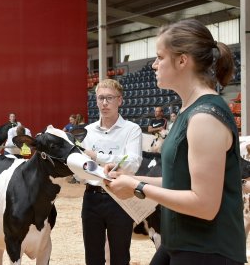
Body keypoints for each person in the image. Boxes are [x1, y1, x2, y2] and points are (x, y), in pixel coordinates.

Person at [103, 19, 246, 264]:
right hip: (181, 242)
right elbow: (181, 180)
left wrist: (138, 189)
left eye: (160, 57)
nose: (154, 65)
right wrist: (133, 179)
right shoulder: (189, 110)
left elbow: (205, 204)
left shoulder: (204, 118)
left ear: (182, 60)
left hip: (207, 250)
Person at [81, 78, 142, 265]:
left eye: (109, 98)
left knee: (120, 256)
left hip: (120, 198)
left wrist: (96, 156)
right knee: (92, 257)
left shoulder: (132, 130)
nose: (104, 103)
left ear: (120, 100)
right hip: (91, 197)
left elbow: (132, 163)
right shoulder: (87, 131)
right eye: (100, 98)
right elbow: (82, 167)